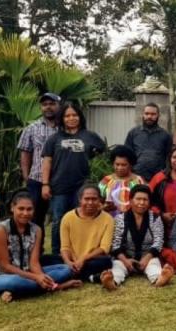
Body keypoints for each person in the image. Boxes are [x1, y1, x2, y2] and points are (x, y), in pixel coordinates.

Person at [0, 190, 80, 302]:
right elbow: (5, 267)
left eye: (29, 209)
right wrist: (36, 278)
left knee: (66, 269)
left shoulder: (36, 230)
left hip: (27, 273)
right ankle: (57, 287)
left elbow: (34, 263)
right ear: (12, 208)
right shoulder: (0, 230)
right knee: (15, 282)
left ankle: (16, 292)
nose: (25, 213)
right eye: (21, 209)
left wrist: (42, 277)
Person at [42, 102, 106, 255]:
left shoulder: (89, 136)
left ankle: (78, 252)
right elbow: (47, 161)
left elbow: (102, 155)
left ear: (80, 117)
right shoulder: (54, 139)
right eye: (67, 116)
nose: (71, 118)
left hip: (82, 187)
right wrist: (45, 184)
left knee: (81, 220)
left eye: (74, 115)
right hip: (59, 187)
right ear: (62, 118)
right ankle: (58, 254)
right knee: (59, 221)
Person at [110, 185, 175, 288]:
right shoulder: (120, 219)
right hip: (126, 258)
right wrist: (125, 261)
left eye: (145, 200)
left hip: (148, 257)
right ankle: (112, 282)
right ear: (131, 200)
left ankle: (159, 279)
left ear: (149, 202)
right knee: (117, 267)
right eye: (138, 199)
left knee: (154, 265)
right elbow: (115, 244)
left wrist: (146, 258)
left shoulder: (155, 218)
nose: (141, 203)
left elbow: (159, 241)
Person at [18, 92, 60, 250]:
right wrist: (26, 177)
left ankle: (59, 252)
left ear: (58, 106)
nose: (48, 107)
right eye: (45, 104)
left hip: (60, 180)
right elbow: (25, 153)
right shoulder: (31, 128)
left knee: (60, 218)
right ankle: (36, 252)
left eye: (52, 103)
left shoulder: (65, 128)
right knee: (35, 218)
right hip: (36, 180)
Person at [58, 184, 116, 290]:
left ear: (100, 200)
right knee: (45, 260)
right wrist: (68, 262)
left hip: (91, 260)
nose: (90, 202)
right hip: (72, 260)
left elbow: (104, 248)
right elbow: (64, 247)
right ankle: (91, 277)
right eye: (87, 199)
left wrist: (83, 259)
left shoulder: (108, 219)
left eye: (94, 199)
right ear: (80, 200)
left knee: (106, 261)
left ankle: (68, 275)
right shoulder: (68, 217)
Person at [124, 102, 173, 180]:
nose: (149, 116)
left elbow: (169, 157)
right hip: (136, 176)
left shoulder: (165, 135)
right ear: (143, 115)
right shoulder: (133, 133)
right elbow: (126, 155)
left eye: (153, 114)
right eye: (147, 113)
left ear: (158, 116)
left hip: (158, 178)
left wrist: (166, 173)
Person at [98, 145, 146, 218]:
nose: (120, 168)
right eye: (117, 164)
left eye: (124, 165)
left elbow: (145, 202)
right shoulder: (106, 181)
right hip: (110, 221)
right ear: (113, 164)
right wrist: (104, 207)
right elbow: (98, 201)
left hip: (133, 222)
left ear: (131, 164)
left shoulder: (139, 181)